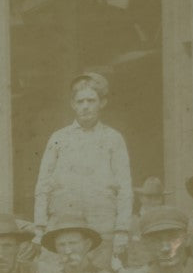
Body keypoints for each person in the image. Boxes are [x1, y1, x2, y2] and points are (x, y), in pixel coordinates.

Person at [32, 71, 133, 240]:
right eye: (80, 101)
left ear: (102, 103)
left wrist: (122, 229)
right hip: (64, 225)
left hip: (103, 226)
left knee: (102, 267)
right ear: (73, 104)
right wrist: (40, 226)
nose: (85, 106)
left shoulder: (113, 138)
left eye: (91, 101)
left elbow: (124, 188)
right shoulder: (59, 138)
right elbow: (43, 185)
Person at [41, 221, 110, 273]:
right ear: (56, 248)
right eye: (61, 245)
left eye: (73, 243)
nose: (67, 251)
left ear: (87, 245)